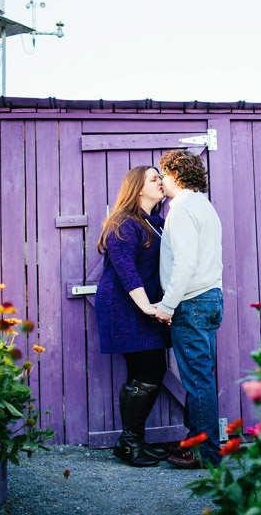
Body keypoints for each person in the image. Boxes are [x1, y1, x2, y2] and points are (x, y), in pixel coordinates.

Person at [95, 166, 170, 467]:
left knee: (142, 372)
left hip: (142, 304)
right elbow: (126, 267)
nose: (161, 182)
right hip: (124, 306)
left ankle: (132, 442)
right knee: (150, 368)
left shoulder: (155, 223)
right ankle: (129, 442)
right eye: (154, 179)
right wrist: (146, 306)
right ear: (138, 188)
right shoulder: (123, 223)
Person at [154, 149, 224, 469]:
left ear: (176, 175)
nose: (162, 181)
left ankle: (204, 453)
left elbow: (184, 264)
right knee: (202, 379)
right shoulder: (205, 206)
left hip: (192, 302)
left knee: (197, 381)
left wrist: (168, 306)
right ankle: (200, 445)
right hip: (210, 298)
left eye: (164, 174)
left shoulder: (180, 209)